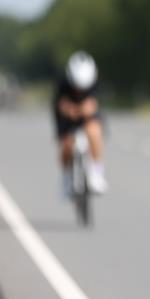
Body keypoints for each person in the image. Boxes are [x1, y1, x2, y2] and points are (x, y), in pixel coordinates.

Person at [53, 51, 107, 196]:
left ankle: (96, 173)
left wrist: (88, 108)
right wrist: (68, 110)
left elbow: (96, 103)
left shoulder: (95, 81)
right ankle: (66, 179)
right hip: (66, 117)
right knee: (66, 145)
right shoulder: (62, 83)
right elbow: (59, 104)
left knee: (94, 131)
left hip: (88, 116)